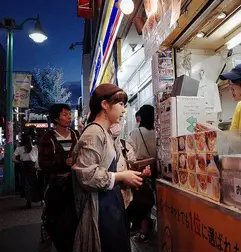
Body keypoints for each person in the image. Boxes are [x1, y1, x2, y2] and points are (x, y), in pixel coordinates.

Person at [72, 84, 150, 252]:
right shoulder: (94, 133)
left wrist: (130, 177)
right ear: (105, 105)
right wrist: (121, 177)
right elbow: (86, 176)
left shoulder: (106, 133)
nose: (124, 110)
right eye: (120, 104)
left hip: (112, 202)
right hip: (101, 207)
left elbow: (112, 169)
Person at [38, 103, 80, 252]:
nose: (69, 117)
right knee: (58, 222)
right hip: (56, 187)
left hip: (75, 186)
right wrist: (63, 162)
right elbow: (43, 164)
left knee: (74, 221)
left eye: (69, 114)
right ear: (56, 118)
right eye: (64, 114)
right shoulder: (48, 138)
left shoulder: (76, 135)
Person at [127, 104, 157, 242]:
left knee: (142, 201)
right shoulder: (158, 132)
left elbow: (130, 157)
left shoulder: (135, 133)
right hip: (158, 170)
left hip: (142, 172)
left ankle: (143, 231)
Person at [12, 134, 40, 208]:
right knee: (34, 183)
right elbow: (37, 158)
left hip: (24, 167)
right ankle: (40, 200)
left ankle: (28, 200)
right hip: (32, 167)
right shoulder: (34, 148)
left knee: (26, 183)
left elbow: (13, 159)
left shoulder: (19, 148)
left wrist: (20, 162)